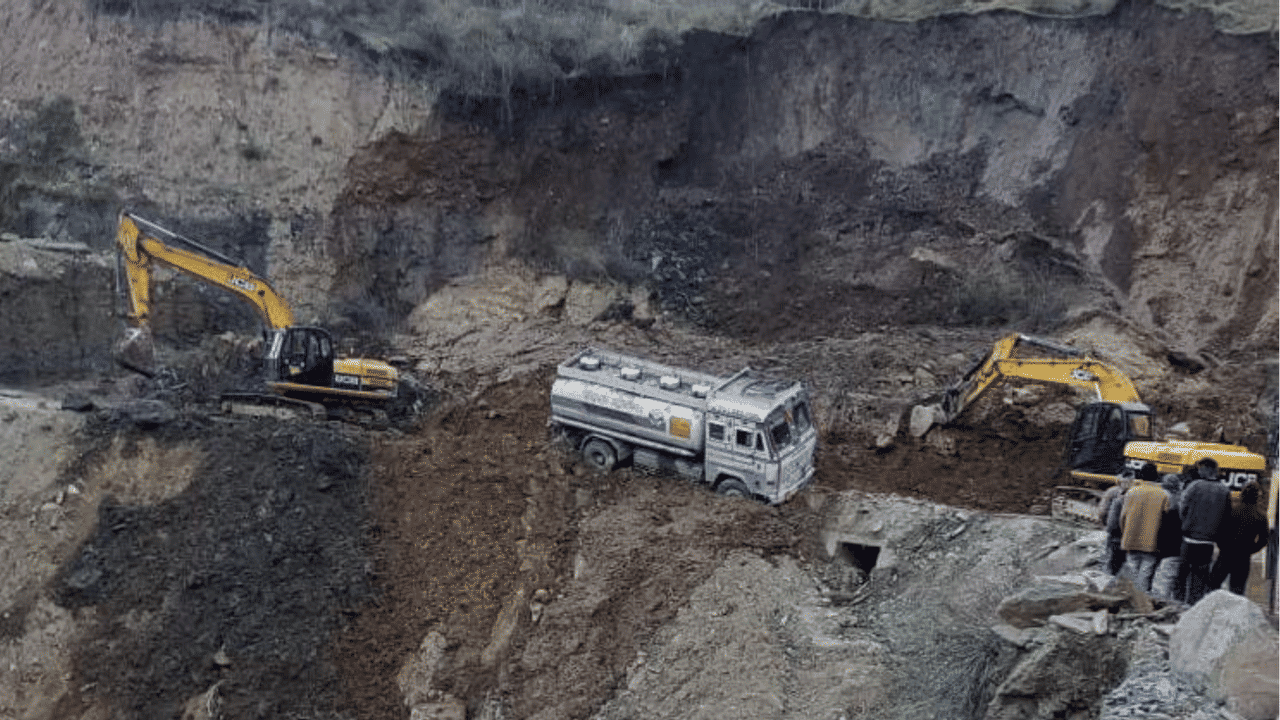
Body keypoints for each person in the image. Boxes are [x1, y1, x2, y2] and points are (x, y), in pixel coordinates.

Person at [1173, 457, 1230, 604]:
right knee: (1200, 577)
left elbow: (1182, 508)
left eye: (1200, 468)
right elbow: (1226, 517)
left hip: (1189, 539)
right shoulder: (1224, 491)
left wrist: (1185, 523)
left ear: (1205, 469)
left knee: (1181, 576)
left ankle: (1177, 605)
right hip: (1207, 543)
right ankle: (1194, 605)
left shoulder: (1194, 486)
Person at [1208, 482, 1267, 595]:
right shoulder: (1260, 515)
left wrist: (1222, 546)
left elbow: (1219, 531)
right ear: (1257, 497)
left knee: (1213, 586)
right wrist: (1251, 549)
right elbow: (1263, 540)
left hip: (1225, 554)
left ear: (1242, 494)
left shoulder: (1232, 511)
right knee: (1237, 590)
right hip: (1243, 557)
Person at [1119, 462, 1169, 592]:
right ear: (1157, 476)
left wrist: (1125, 533)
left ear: (1141, 475)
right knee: (1145, 574)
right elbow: (1165, 519)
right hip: (1151, 541)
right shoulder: (1163, 495)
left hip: (1131, 539)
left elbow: (1123, 517)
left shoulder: (1132, 492)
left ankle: (1127, 597)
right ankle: (1140, 601)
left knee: (1131, 570)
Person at [1098, 471, 1135, 574]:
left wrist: (1103, 525)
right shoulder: (1134, 494)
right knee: (1119, 559)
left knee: (1108, 556)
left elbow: (1102, 510)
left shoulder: (1112, 492)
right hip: (1125, 533)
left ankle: (1105, 575)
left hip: (1113, 531)